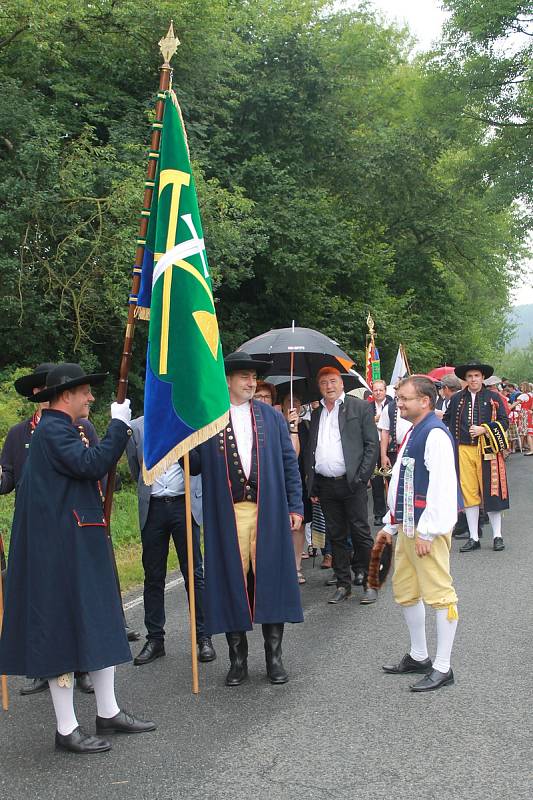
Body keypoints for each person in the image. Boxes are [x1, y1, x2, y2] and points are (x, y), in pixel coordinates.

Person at [0, 363, 155, 754]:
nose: (90, 398)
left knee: (98, 625)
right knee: (62, 634)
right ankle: (66, 728)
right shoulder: (53, 430)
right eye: (85, 391)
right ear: (66, 395)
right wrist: (120, 425)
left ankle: (108, 711)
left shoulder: (63, 429)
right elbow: (91, 465)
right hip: (61, 552)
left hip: (78, 542)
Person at [199, 351, 304, 687]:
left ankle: (274, 659)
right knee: (232, 582)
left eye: (252, 377)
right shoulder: (210, 419)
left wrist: (296, 506)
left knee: (270, 580)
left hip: (267, 511)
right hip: (227, 516)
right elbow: (195, 465)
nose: (250, 382)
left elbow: (290, 463)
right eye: (243, 376)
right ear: (227, 380)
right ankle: (237, 660)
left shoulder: (271, 418)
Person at [0, 363, 98, 696]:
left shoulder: (79, 427)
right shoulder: (20, 434)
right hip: (42, 527)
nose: (44, 395)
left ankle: (84, 669)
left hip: (76, 522)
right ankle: (48, 671)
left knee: (80, 605)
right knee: (49, 607)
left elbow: (93, 469)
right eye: (40, 391)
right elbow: (9, 479)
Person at [379, 376, 460, 691]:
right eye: (398, 398)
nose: (398, 403)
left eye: (404, 399)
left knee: (441, 596)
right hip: (408, 526)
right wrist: (392, 521)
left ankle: (443, 666)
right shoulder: (415, 430)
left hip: (426, 529)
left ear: (425, 401)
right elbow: (404, 481)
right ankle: (419, 656)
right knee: (407, 590)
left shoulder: (435, 434)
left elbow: (442, 487)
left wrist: (427, 531)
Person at [126, 416, 216, 665]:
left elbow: (198, 464)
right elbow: (136, 469)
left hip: (183, 504)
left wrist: (176, 442)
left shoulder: (187, 419)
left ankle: (203, 637)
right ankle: (155, 639)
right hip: (153, 507)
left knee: (193, 573)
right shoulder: (136, 428)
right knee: (153, 576)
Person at [305, 366, 379, 605]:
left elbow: (371, 444)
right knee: (336, 535)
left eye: (333, 381)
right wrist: (312, 483)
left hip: (352, 482)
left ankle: (369, 583)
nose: (329, 386)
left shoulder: (359, 407)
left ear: (342, 384)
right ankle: (343, 583)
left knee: (360, 533)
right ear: (319, 386)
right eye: (324, 382)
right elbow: (312, 450)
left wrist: (361, 476)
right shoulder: (316, 414)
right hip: (326, 484)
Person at [443, 360, 509, 553]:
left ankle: (497, 535)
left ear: (482, 378)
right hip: (463, 450)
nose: (473, 379)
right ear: (465, 379)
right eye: (470, 376)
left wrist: (484, 429)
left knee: (491, 492)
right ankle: (473, 537)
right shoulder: (456, 399)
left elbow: (504, 422)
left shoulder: (493, 397)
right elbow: (447, 419)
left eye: (477, 376)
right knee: (469, 494)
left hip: (487, 451)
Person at [281, 393, 312, 584]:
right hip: (280, 478)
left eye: (298, 402)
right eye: (289, 402)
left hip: (300, 479)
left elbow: (308, 453)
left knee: (299, 522)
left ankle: (297, 566)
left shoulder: (306, 426)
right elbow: (291, 454)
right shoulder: (276, 425)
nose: (294, 406)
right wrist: (291, 427)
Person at [368, 380, 391, 525]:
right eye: (375, 390)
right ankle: (379, 512)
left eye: (380, 390)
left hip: (389, 446)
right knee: (376, 480)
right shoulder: (368, 407)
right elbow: (363, 423)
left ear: (385, 391)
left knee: (390, 478)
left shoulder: (392, 405)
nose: (378, 393)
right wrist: (374, 420)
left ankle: (393, 510)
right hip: (373, 445)